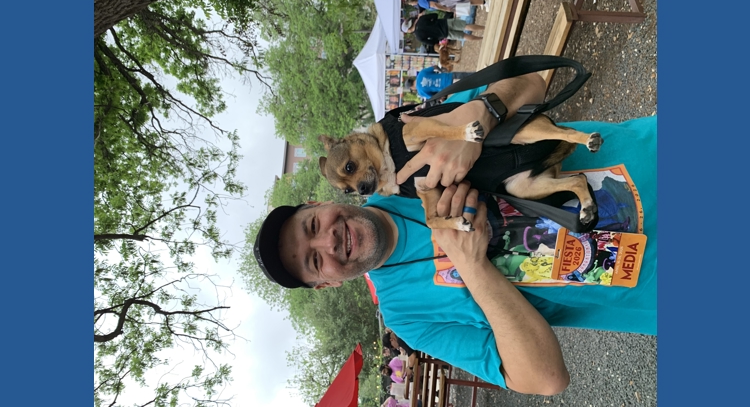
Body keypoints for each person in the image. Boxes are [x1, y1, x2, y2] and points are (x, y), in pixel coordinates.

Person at [253, 72, 657, 395]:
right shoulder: (406, 316)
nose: (328, 241)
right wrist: (472, 265)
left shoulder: (399, 143)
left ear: (317, 204)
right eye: (315, 260)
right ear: (327, 284)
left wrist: (480, 116)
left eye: (312, 226)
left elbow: (533, 81)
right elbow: (545, 377)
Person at [404, 12, 484, 45]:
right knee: (465, 26)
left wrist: (437, 37)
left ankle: (481, 39)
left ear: (408, 30)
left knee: (464, 36)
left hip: (444, 34)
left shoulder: (419, 37)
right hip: (444, 23)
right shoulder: (421, 19)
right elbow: (435, 15)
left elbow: (432, 43)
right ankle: (484, 28)